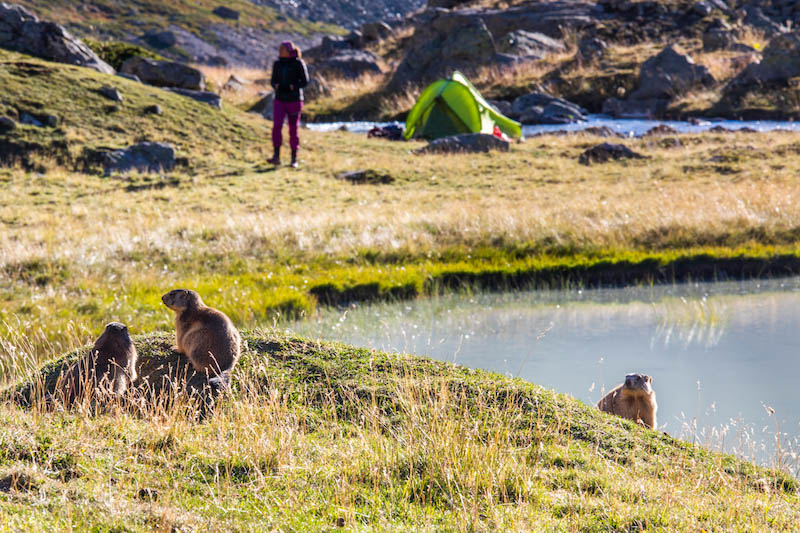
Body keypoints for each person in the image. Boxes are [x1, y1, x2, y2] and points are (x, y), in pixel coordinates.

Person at [268, 41, 309, 168]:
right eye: (279, 49)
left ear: (289, 50)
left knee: (293, 129)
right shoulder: (277, 64)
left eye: (282, 49)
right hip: (280, 99)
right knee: (277, 126)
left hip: (294, 100)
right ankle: (276, 157)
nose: (280, 51)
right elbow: (272, 80)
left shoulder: (298, 63)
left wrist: (293, 87)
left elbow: (305, 81)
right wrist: (276, 85)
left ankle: (293, 159)